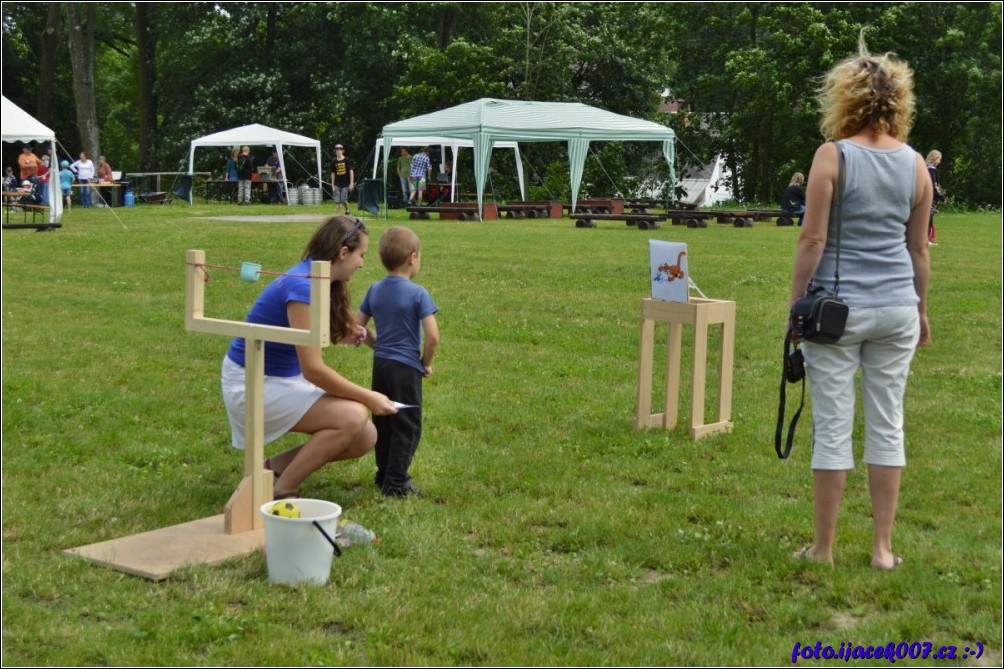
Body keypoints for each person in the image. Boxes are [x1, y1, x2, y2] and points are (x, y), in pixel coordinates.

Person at [787, 32, 931, 571]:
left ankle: (823, 549)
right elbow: (919, 247)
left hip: (835, 311)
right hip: (896, 306)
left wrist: (794, 305)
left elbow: (812, 239)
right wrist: (920, 309)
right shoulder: (916, 164)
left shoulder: (832, 156)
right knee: (887, 422)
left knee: (832, 424)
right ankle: (882, 550)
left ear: (844, 99)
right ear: (899, 103)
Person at [221, 216, 399, 499]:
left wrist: (342, 332)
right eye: (361, 255)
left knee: (366, 436)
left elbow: (299, 333)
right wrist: (369, 397)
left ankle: (273, 470)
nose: (363, 263)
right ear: (343, 253)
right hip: (251, 382)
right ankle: (282, 492)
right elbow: (314, 370)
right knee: (354, 417)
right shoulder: (303, 288)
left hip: (276, 378)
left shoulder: (316, 279)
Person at [357, 227, 440, 497]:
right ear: (413, 258)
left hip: (381, 364)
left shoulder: (375, 289)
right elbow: (433, 337)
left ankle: (383, 474)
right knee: (407, 424)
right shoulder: (418, 294)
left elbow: (357, 327)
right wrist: (425, 363)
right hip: (405, 368)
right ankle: (396, 482)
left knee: (384, 421)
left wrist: (376, 344)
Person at [925, 150, 945, 246]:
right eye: (939, 159)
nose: (940, 162)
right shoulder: (931, 170)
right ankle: (927, 240)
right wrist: (941, 197)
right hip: (930, 198)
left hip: (925, 197)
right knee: (929, 218)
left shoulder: (925, 169)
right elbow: (934, 185)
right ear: (934, 158)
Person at [330, 144, 355, 216]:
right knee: (337, 200)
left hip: (346, 184)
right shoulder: (333, 162)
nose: (338, 151)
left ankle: (347, 210)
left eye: (340, 150)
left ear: (342, 151)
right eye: (337, 150)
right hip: (337, 184)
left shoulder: (347, 160)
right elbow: (333, 173)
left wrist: (351, 183)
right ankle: (338, 216)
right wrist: (332, 185)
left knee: (343, 200)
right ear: (335, 151)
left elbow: (351, 171)